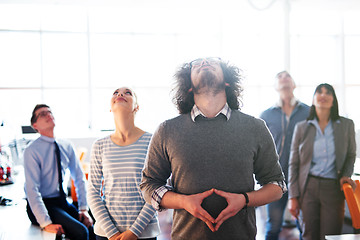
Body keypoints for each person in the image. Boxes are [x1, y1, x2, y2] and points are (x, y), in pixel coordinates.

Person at [140, 57, 287, 239]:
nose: (204, 63)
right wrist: (183, 201)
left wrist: (245, 200)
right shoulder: (167, 130)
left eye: (212, 62)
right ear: (189, 86)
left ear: (227, 81)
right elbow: (148, 184)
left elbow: (277, 185)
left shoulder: (255, 127)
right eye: (196, 64)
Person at [87, 87, 160, 240]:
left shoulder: (152, 141)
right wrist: (112, 233)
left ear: (137, 107)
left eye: (128, 93)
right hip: (106, 234)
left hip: (143, 233)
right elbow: (93, 192)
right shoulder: (99, 145)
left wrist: (134, 231)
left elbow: (157, 190)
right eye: (116, 92)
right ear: (110, 106)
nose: (120, 94)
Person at [288, 83, 356, 240]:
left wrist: (346, 174)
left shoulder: (346, 125)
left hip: (333, 188)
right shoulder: (301, 128)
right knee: (309, 235)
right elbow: (294, 164)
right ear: (313, 99)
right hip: (308, 188)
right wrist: (293, 196)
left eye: (328, 93)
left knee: (331, 235)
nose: (323, 95)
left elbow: (351, 155)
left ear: (333, 100)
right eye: (319, 92)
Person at [24, 104, 95, 240]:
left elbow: (79, 177)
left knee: (91, 226)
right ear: (35, 125)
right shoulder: (31, 150)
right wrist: (46, 223)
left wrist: (83, 208)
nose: (48, 115)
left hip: (61, 201)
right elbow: (32, 189)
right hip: (42, 204)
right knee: (81, 232)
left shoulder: (66, 145)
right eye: (42, 114)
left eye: (49, 112)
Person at [260, 71, 309, 240]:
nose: (284, 78)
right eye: (279, 77)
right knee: (273, 227)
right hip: (275, 179)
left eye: (287, 76)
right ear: (275, 86)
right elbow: (260, 147)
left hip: (302, 178)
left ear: (294, 84)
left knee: (305, 228)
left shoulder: (308, 112)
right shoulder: (266, 115)